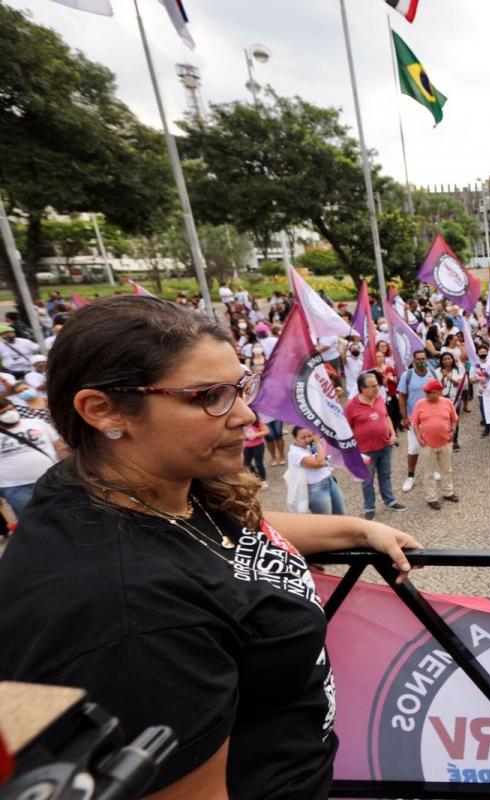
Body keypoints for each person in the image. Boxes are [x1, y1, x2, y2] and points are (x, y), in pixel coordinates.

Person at [0, 296, 422, 799]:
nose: (245, 414)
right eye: (209, 396)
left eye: (241, 387)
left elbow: (234, 529)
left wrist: (357, 531)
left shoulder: (141, 487)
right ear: (103, 409)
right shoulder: (133, 613)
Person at [345, 371, 406, 521]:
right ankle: (369, 507)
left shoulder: (379, 399)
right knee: (368, 480)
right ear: (362, 388)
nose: (376, 388)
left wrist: (393, 434)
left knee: (385, 475)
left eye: (377, 385)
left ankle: (389, 501)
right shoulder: (351, 406)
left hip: (385, 446)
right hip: (365, 451)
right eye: (373, 386)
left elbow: (386, 416)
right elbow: (347, 427)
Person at [0, 394, 64, 519]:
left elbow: (59, 446)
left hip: (53, 479)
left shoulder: (37, 423)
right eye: (3, 412)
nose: (9, 413)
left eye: (10, 409)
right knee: (34, 520)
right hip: (16, 487)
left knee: (66, 513)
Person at [409, 378, 459, 510]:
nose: (425, 394)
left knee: (447, 469)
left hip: (445, 442)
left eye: (428, 392)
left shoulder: (448, 403)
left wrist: (453, 431)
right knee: (429, 473)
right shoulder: (420, 403)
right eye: (425, 391)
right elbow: (415, 423)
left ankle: (448, 492)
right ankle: (432, 498)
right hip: (427, 444)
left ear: (437, 392)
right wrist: (419, 439)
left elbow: (454, 419)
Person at [396, 351, 436, 492]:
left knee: (432, 445)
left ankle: (432, 470)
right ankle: (410, 476)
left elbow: (438, 392)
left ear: (427, 360)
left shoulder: (432, 373)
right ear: (414, 361)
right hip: (414, 419)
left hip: (431, 417)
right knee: (413, 448)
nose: (421, 361)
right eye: (418, 359)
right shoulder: (407, 375)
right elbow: (401, 397)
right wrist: (404, 417)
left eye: (423, 359)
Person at [288, 427, 345, 516]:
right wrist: (318, 444)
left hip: (330, 480)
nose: (307, 440)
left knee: (340, 513)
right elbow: (320, 463)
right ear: (294, 437)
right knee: (325, 519)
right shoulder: (295, 453)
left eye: (310, 436)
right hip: (316, 488)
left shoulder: (309, 446)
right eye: (303, 437)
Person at [243, 413, 268, 489]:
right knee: (246, 463)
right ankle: (256, 477)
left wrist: (255, 435)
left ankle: (263, 480)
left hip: (258, 446)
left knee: (259, 463)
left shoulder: (259, 422)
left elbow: (266, 431)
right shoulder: (242, 424)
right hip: (246, 447)